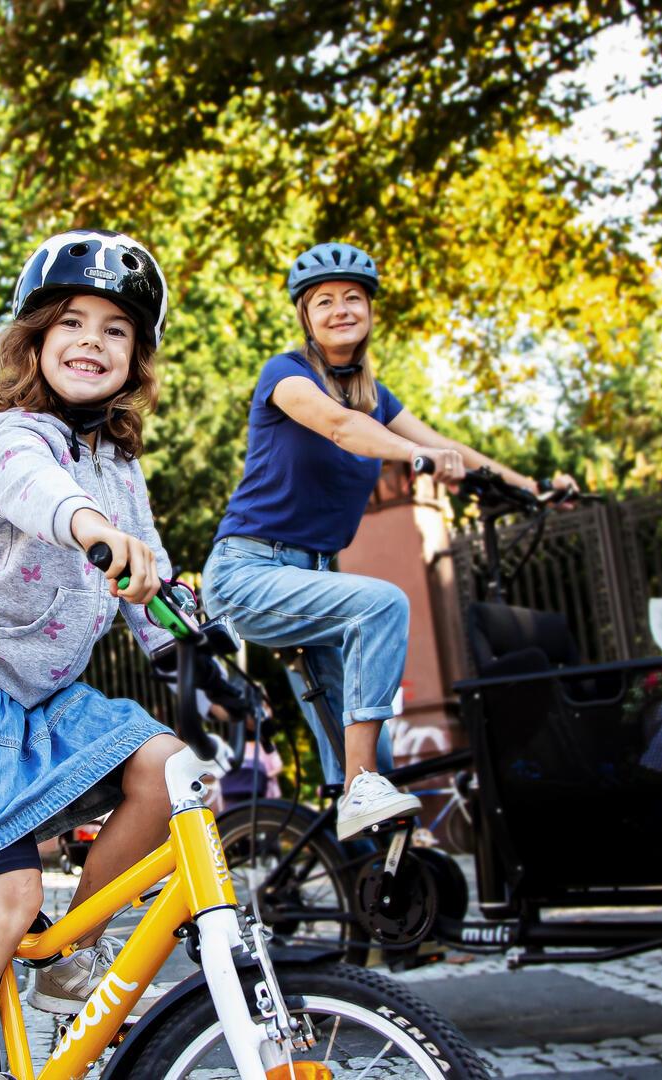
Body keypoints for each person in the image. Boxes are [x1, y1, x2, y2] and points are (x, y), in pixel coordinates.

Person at [0, 230, 183, 1080]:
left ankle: (66, 958)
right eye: (73, 323)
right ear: (36, 341)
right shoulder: (13, 439)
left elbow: (150, 577)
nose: (93, 340)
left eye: (116, 330)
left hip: (44, 700)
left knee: (167, 767)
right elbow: (37, 490)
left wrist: (194, 650)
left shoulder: (121, 465)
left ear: (136, 359)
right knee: (10, 897)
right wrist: (90, 526)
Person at [202, 241, 574, 840]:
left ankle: (384, 872)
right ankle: (359, 794)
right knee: (381, 603)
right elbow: (339, 427)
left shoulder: (376, 398)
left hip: (312, 583)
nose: (340, 309)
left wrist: (530, 487)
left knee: (375, 750)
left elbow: (451, 448)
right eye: (324, 301)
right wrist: (418, 457)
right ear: (306, 317)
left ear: (370, 311)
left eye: (353, 297)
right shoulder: (286, 374)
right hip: (248, 574)